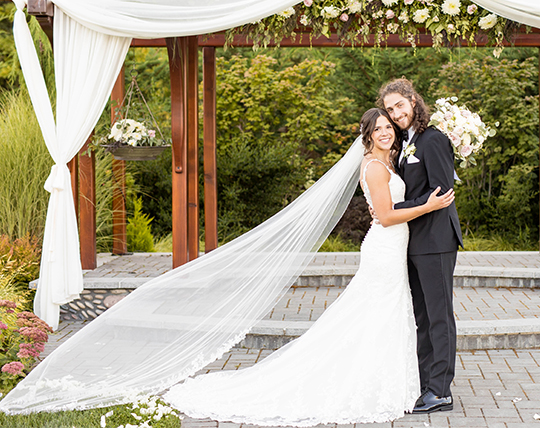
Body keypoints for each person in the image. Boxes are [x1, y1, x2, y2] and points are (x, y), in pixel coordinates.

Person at [162, 108, 454, 426]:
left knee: (386, 313)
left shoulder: (388, 161)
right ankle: (366, 382)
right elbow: (384, 217)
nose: (385, 131)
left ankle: (389, 379)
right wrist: (427, 206)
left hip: (395, 248)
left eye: (388, 126)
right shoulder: (373, 167)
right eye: (378, 128)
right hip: (384, 249)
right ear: (367, 135)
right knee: (376, 313)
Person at [378, 78, 464, 413]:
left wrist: (391, 209)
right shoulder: (405, 143)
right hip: (413, 242)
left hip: (437, 240)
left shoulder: (433, 139)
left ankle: (441, 390)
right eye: (390, 109)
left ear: (414, 101)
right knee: (423, 317)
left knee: (439, 316)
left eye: (399, 105)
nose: (396, 113)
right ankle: (427, 382)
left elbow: (441, 193)